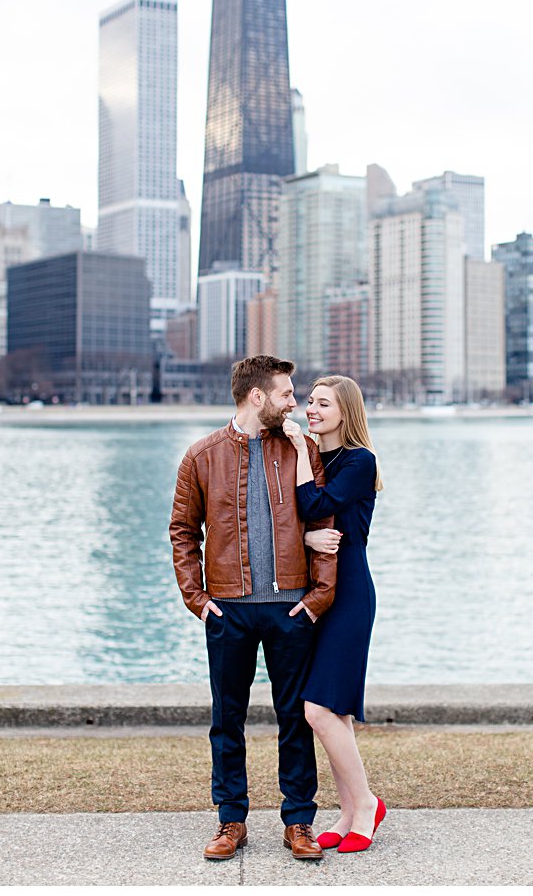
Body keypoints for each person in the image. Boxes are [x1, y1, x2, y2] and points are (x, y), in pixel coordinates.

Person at [169, 355, 338, 862]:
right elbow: (183, 532)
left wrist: (317, 599)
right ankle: (230, 821)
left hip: (292, 608)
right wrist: (197, 600)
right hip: (228, 609)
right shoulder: (201, 456)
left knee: (295, 718)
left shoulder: (303, 450)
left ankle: (299, 822)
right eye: (287, 394)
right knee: (227, 719)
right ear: (257, 397)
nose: (296, 403)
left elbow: (326, 522)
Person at [282, 375, 386, 853]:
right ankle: (348, 812)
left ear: (346, 409)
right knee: (334, 712)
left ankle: (365, 804)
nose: (312, 409)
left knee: (318, 710)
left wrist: (302, 453)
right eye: (310, 401)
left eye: (323, 403)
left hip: (348, 594)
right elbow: (293, 521)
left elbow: (316, 504)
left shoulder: (360, 462)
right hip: (315, 591)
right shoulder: (318, 458)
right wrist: (303, 540)